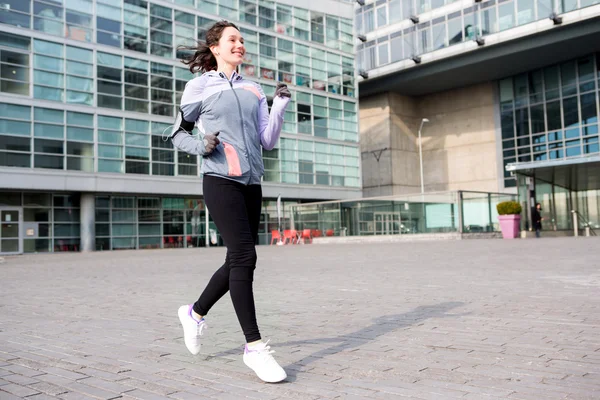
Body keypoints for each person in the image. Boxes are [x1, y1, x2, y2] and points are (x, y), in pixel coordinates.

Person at [170, 20, 291, 383]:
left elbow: (267, 140)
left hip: (252, 183)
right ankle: (254, 347)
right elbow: (177, 132)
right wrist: (199, 145)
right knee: (245, 256)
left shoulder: (254, 88)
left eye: (242, 40)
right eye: (232, 40)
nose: (240, 44)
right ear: (216, 48)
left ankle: (194, 313)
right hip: (220, 179)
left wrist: (279, 104)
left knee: (236, 259)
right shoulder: (199, 87)